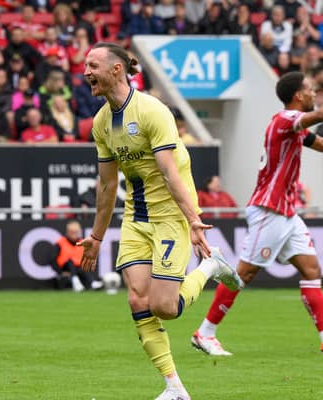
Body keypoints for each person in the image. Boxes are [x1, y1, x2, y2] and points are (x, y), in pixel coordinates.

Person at [77, 42, 242, 400]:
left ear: (116, 69)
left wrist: (194, 221)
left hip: (170, 213)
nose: (85, 71)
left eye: (92, 65)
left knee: (165, 308)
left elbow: (170, 173)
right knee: (138, 300)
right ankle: (175, 388)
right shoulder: (102, 122)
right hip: (136, 215)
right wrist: (96, 236)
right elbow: (107, 184)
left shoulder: (152, 110)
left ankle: (210, 267)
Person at [191, 71, 323, 356]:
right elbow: (305, 120)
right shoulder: (284, 119)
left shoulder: (293, 128)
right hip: (269, 210)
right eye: (311, 90)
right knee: (245, 273)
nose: (314, 94)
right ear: (298, 95)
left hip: (286, 212)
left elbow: (317, 143)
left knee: (312, 270)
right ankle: (205, 332)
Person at [52, 219, 103, 291]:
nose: (74, 235)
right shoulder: (60, 243)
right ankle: (74, 280)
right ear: (67, 232)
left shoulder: (83, 243)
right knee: (70, 262)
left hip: (80, 269)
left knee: (83, 268)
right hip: (66, 268)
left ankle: (91, 282)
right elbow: (52, 260)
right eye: (72, 232)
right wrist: (60, 272)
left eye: (76, 232)